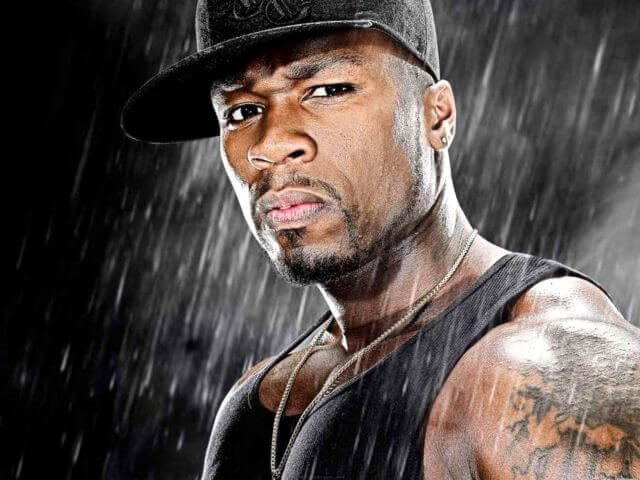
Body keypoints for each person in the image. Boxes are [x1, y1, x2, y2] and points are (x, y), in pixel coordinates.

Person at [121, 0, 640, 478]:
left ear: (437, 115)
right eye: (241, 112)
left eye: (328, 90)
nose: (272, 144)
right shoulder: (260, 401)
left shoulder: (543, 372)